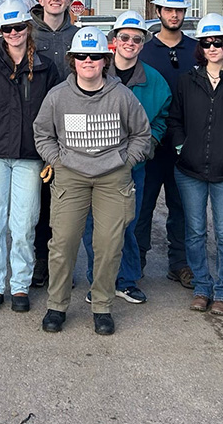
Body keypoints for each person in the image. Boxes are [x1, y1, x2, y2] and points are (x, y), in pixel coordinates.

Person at [33, 27, 153, 335]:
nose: (89, 61)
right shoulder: (58, 96)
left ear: (105, 60)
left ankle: (102, 306)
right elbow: (42, 134)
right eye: (82, 56)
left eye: (95, 56)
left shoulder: (122, 96)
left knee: (108, 245)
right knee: (62, 243)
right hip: (71, 176)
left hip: (112, 177)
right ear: (72, 60)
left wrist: (126, 162)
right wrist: (58, 162)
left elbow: (142, 135)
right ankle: (57, 305)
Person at [0, 0, 60, 314]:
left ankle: (19, 285)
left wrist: (51, 156)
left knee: (24, 224)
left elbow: (56, 113)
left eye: (19, 26)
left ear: (27, 28)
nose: (14, 32)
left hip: (31, 157)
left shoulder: (46, 67)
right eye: (8, 28)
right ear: (1, 32)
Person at [168, 14, 223, 316]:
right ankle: (202, 287)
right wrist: (182, 147)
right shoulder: (187, 82)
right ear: (201, 47)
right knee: (194, 231)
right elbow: (175, 120)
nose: (212, 47)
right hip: (190, 171)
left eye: (218, 42)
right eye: (207, 43)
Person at [80, 10, 170, 304]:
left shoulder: (154, 81)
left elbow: (163, 117)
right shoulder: (97, 74)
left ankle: (126, 280)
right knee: (94, 225)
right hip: (95, 165)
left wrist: (151, 142)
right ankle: (99, 280)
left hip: (133, 166)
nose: (130, 42)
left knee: (127, 223)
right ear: (113, 41)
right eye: (124, 37)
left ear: (143, 43)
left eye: (137, 38)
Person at [136, 0, 197, 288]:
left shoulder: (197, 50)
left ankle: (180, 262)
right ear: (158, 10)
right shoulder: (144, 53)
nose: (174, 15)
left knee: (182, 207)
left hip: (185, 145)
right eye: (169, 9)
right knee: (142, 207)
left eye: (179, 9)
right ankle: (137, 261)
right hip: (151, 144)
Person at [28, 0, 79, 288]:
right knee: (39, 203)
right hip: (38, 127)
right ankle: (40, 263)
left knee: (67, 205)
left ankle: (63, 266)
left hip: (74, 129)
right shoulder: (27, 33)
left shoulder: (80, 35)